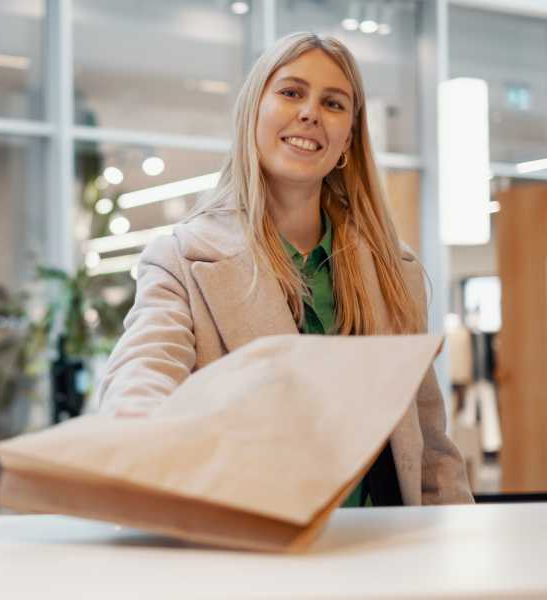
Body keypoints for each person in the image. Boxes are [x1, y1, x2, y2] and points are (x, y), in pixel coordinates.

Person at [97, 32, 473, 507]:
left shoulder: (395, 271)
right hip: (255, 555)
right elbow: (143, 371)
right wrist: (136, 437)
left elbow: (430, 447)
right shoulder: (180, 260)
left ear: (347, 140)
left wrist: (456, 549)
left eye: (333, 103)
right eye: (292, 92)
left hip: (382, 554)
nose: (311, 113)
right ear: (253, 111)